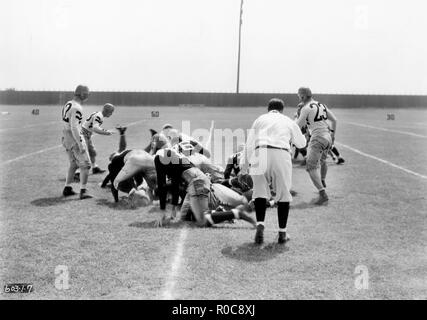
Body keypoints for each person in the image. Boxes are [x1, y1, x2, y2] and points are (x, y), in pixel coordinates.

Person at [240, 98, 306, 245]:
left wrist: (243, 166)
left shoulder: (260, 119)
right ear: (282, 109)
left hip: (259, 152)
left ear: (268, 109)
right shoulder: (288, 121)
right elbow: (302, 143)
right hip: (280, 154)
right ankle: (282, 233)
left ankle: (260, 225)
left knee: (259, 193)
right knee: (283, 194)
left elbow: (249, 143)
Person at [154, 147, 255, 228]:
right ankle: (218, 212)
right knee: (185, 216)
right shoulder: (171, 157)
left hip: (196, 182)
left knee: (201, 220)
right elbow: (175, 183)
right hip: (198, 180)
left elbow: (161, 185)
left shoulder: (158, 158)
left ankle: (236, 213)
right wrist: (173, 207)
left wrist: (162, 211)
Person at [295, 87, 338, 204]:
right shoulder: (321, 105)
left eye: (299, 96)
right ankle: (322, 180)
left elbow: (297, 126)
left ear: (303, 96)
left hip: (317, 137)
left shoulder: (305, 108)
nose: (299, 98)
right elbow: (334, 120)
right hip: (327, 137)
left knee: (311, 167)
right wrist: (333, 135)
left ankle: (322, 193)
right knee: (323, 161)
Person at [61, 85, 93, 199]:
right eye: (87, 94)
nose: (88, 96)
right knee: (86, 165)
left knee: (73, 164)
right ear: (83, 94)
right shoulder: (77, 107)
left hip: (65, 136)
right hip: (74, 137)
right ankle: (83, 191)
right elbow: (74, 127)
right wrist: (80, 143)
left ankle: (67, 188)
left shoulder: (68, 103)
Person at [81, 103, 115, 174]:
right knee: (83, 154)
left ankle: (94, 168)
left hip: (87, 134)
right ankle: (77, 173)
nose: (111, 114)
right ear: (107, 111)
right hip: (83, 134)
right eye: (111, 112)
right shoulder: (99, 116)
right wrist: (106, 132)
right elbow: (95, 128)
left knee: (92, 152)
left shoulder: (99, 114)